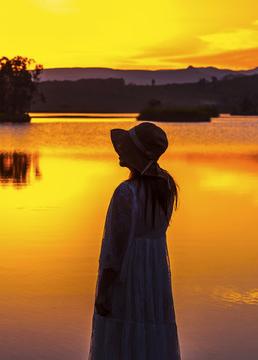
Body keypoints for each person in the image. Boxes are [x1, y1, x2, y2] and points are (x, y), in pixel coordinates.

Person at [89, 122, 181, 360]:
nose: (121, 153)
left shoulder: (126, 193)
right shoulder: (167, 187)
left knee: (123, 337)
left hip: (128, 276)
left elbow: (115, 250)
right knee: (149, 333)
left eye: (127, 148)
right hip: (154, 274)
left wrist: (103, 291)